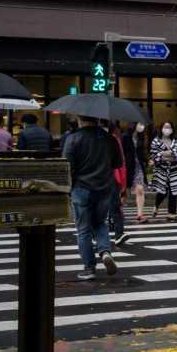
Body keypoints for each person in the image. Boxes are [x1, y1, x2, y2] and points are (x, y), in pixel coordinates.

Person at [60, 116, 119, 279]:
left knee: (84, 229)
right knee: (100, 223)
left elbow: (66, 165)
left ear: (79, 119)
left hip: (81, 188)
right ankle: (105, 251)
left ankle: (89, 267)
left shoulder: (73, 138)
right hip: (105, 187)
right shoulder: (109, 138)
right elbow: (117, 163)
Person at [148, 122, 177, 218]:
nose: (167, 129)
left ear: (172, 129)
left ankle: (171, 213)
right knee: (162, 190)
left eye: (169, 127)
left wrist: (162, 153)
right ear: (161, 128)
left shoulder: (175, 140)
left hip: (174, 168)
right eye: (165, 127)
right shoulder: (156, 140)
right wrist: (169, 154)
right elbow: (154, 155)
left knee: (174, 191)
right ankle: (156, 206)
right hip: (161, 169)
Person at [128, 121, 149, 222]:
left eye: (142, 123)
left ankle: (140, 214)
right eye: (139, 123)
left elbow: (143, 153)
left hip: (138, 166)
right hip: (128, 166)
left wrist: (147, 160)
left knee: (140, 189)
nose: (141, 126)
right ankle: (116, 214)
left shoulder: (141, 138)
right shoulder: (125, 137)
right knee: (124, 191)